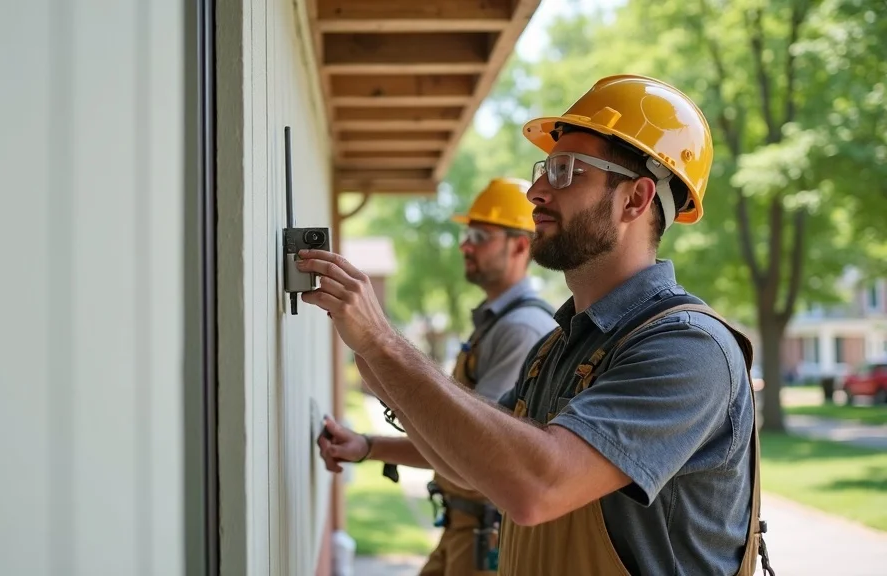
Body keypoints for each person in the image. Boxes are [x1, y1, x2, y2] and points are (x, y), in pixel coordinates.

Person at [303, 74, 772, 576]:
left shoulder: (689, 350)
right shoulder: (556, 347)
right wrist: (371, 363)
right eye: (544, 169)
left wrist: (384, 344)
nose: (535, 191)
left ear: (634, 200)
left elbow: (537, 486)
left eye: (566, 170)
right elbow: (473, 456)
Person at [319, 178, 559, 576]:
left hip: (486, 539)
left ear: (520, 245)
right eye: (468, 233)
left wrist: (383, 353)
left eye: (481, 235)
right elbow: (451, 438)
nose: (466, 244)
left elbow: (475, 452)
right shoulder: (496, 324)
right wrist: (368, 445)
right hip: (463, 530)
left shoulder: (521, 330)